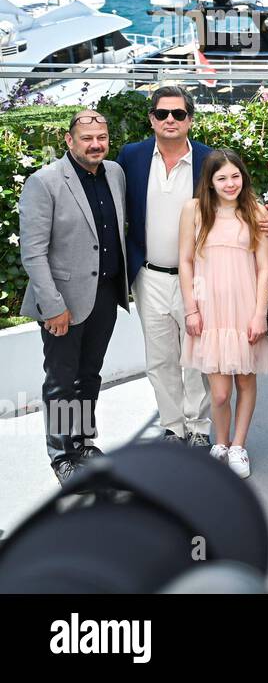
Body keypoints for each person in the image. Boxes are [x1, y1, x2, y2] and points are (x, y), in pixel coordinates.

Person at [20, 109, 129, 483]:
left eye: (101, 138)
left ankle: (82, 442)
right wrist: (53, 306)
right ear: (69, 141)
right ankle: (63, 454)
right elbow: (33, 252)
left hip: (105, 293)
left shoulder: (114, 173)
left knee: (89, 375)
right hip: (62, 301)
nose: (95, 144)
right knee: (62, 381)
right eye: (87, 138)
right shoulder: (44, 182)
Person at [118, 86, 214, 447]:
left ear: (190, 119)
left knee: (196, 357)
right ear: (152, 119)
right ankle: (173, 426)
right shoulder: (132, 156)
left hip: (198, 278)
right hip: (149, 275)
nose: (170, 120)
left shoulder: (209, 159)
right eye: (162, 114)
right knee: (160, 358)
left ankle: (199, 427)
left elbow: (233, 203)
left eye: (178, 114)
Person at [178, 150, 268, 479]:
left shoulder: (256, 212)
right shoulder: (194, 211)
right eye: (222, 178)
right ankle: (220, 442)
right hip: (209, 310)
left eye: (235, 176)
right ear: (210, 181)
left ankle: (238, 446)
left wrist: (260, 313)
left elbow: (263, 267)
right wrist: (191, 308)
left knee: (245, 379)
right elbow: (186, 262)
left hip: (245, 307)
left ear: (243, 177)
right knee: (219, 391)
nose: (230, 183)